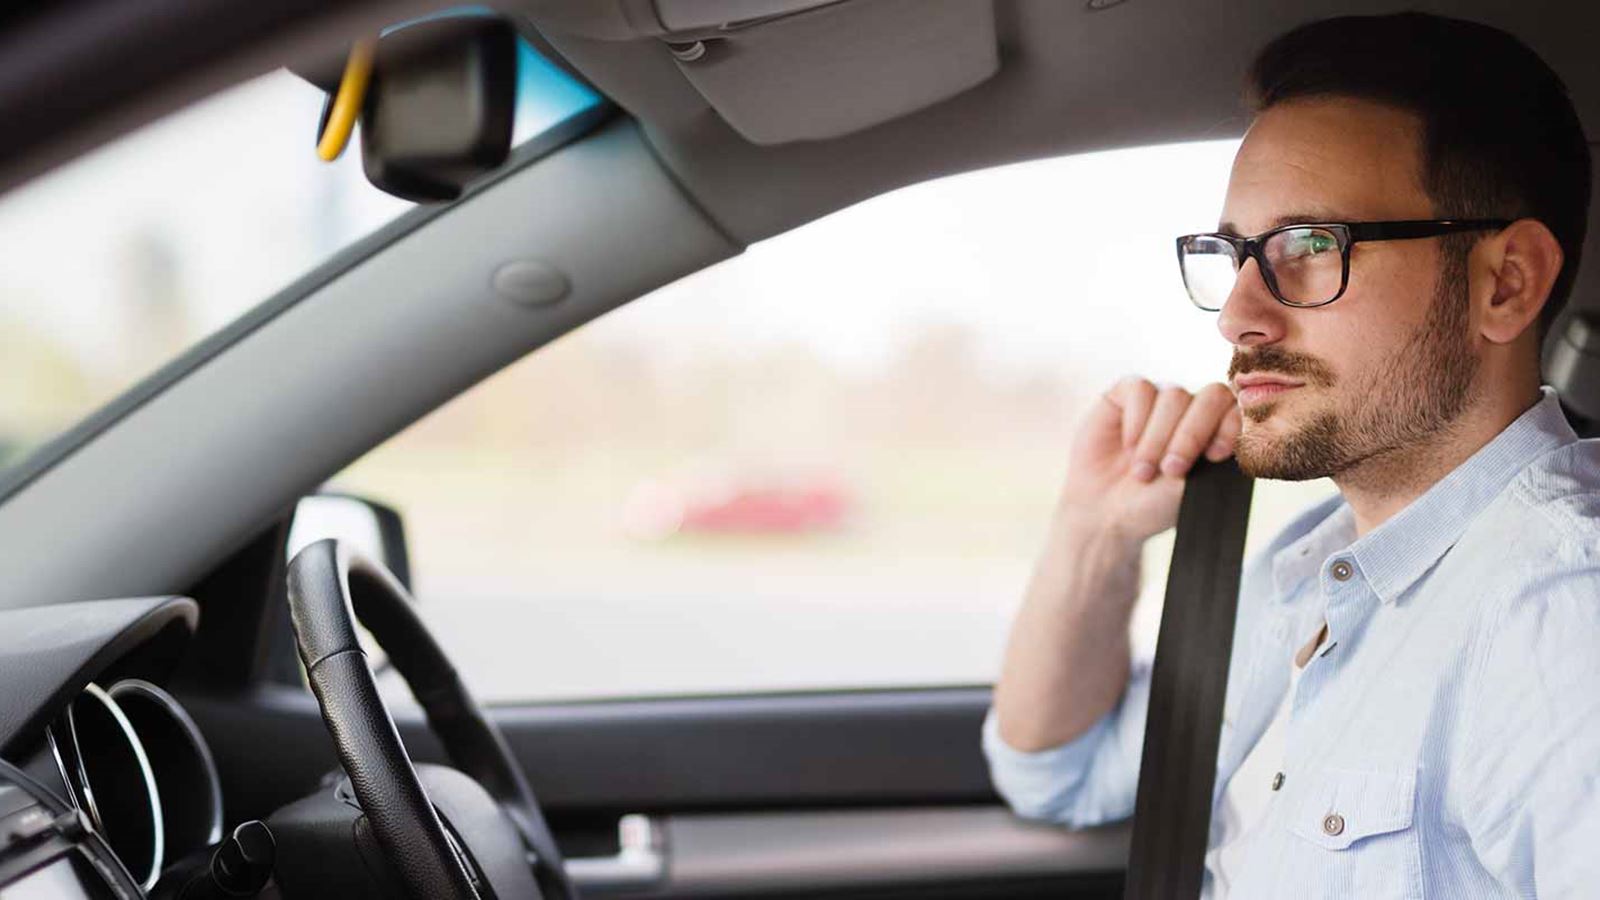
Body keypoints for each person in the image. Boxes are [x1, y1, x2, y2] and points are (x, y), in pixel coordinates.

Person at [984, 12, 1595, 898]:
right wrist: (1095, 533)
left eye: (1310, 247)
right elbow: (1057, 774)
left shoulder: (1561, 619)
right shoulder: (1314, 567)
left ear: (1506, 283)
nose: (1238, 316)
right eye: (1231, 254)